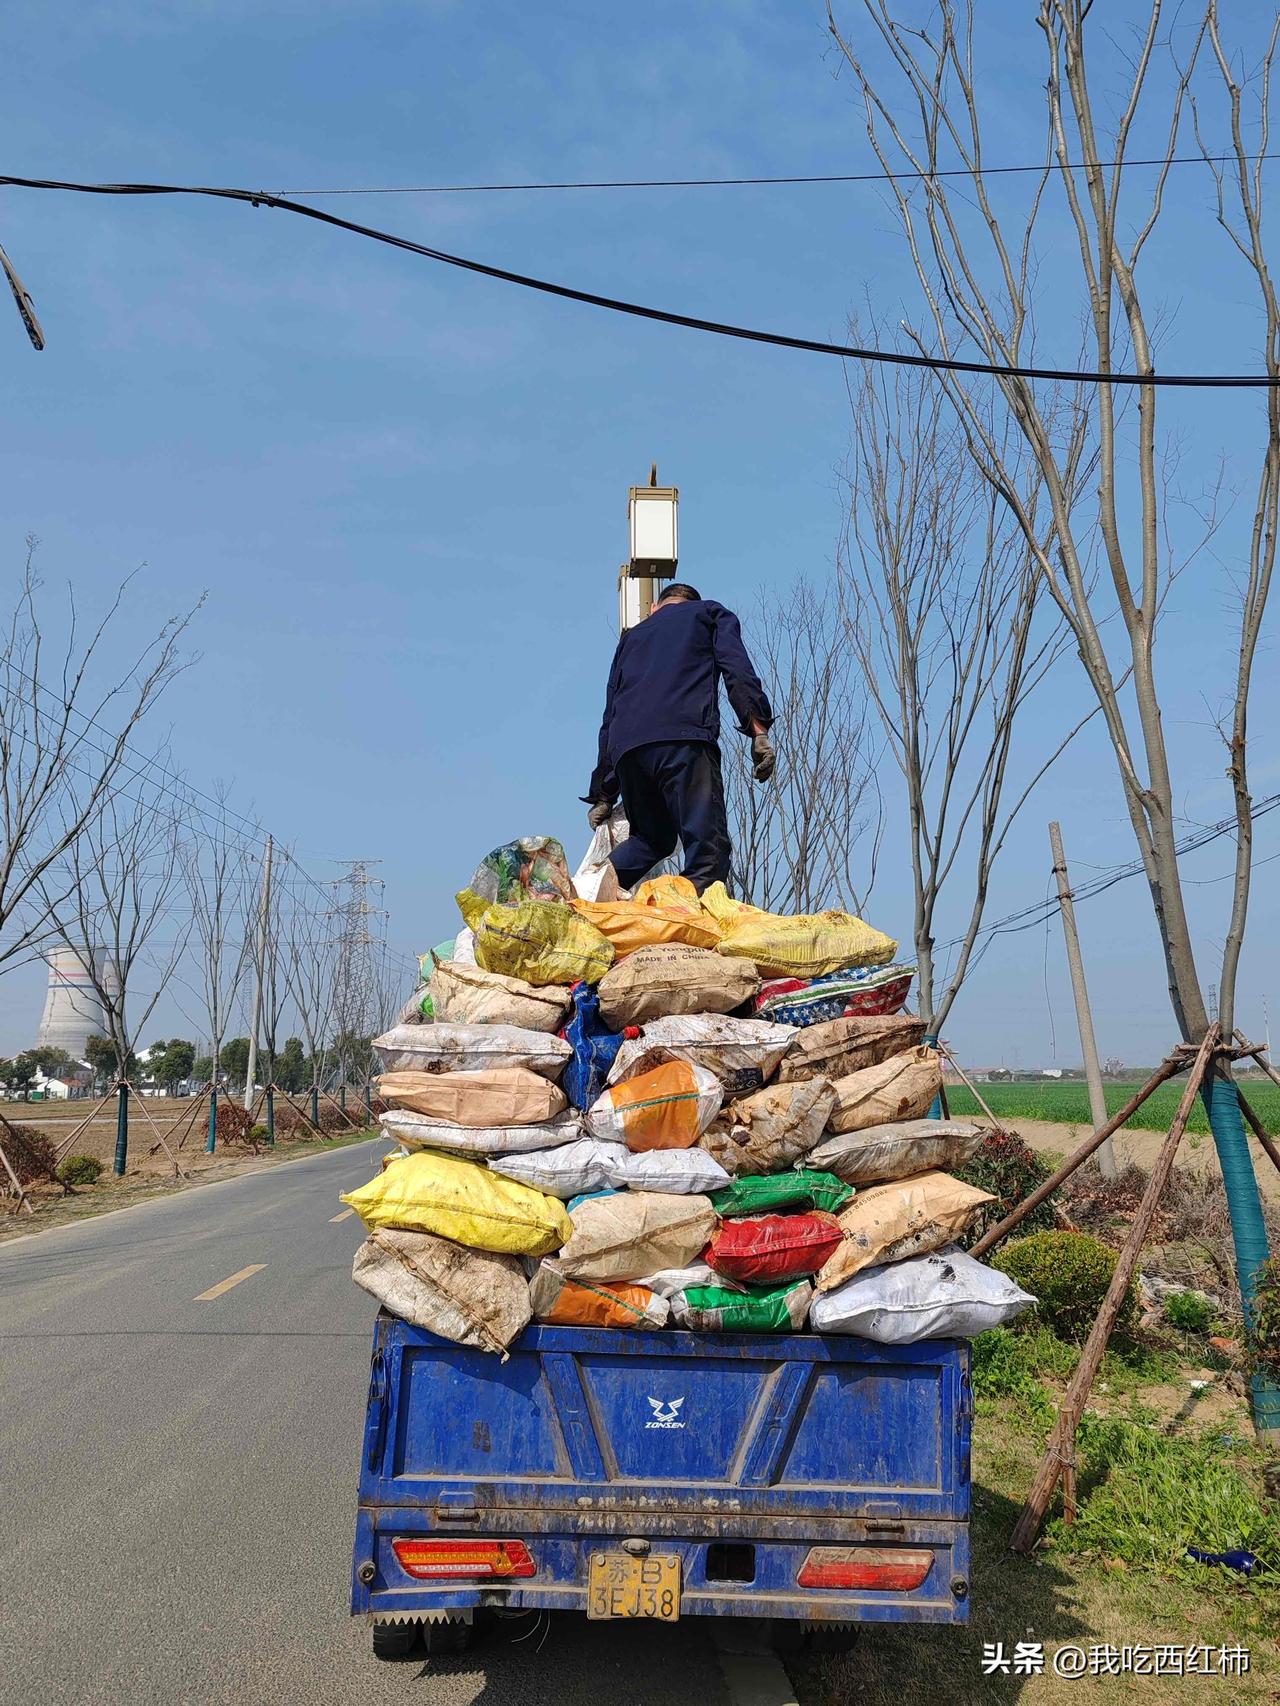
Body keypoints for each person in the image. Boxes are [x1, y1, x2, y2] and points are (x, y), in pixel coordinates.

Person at [582, 583, 775, 894]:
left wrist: (604, 793)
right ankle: (687, 915)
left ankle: (588, 890)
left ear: (654, 608)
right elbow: (737, 670)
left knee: (651, 840)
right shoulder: (709, 613)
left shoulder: (630, 639)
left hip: (628, 753)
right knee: (708, 852)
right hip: (683, 739)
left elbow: (611, 712)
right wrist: (758, 730)